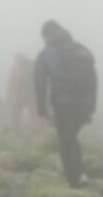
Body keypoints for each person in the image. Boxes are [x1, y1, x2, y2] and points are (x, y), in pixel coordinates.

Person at [34, 20, 97, 187]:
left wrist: (42, 110)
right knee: (72, 139)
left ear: (48, 35)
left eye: (44, 37)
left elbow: (39, 82)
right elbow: (93, 80)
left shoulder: (47, 53)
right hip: (83, 104)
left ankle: (75, 179)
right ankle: (79, 174)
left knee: (66, 141)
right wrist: (90, 108)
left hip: (63, 104)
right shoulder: (81, 49)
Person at [7, 53, 39, 130]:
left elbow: (10, 84)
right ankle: (38, 131)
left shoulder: (15, 69)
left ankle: (15, 131)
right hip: (31, 94)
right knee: (34, 114)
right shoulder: (31, 66)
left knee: (16, 114)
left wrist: (9, 97)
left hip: (19, 95)